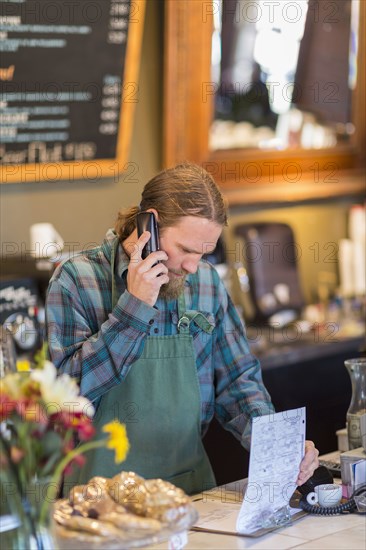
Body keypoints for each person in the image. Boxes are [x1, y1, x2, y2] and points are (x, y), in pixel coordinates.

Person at [46, 163, 319, 495]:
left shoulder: (205, 283)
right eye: (187, 250)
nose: (193, 266)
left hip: (186, 494)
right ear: (150, 225)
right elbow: (66, 398)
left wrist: (280, 446)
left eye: (203, 253)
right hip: (96, 503)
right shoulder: (77, 280)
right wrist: (134, 307)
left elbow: (238, 383)